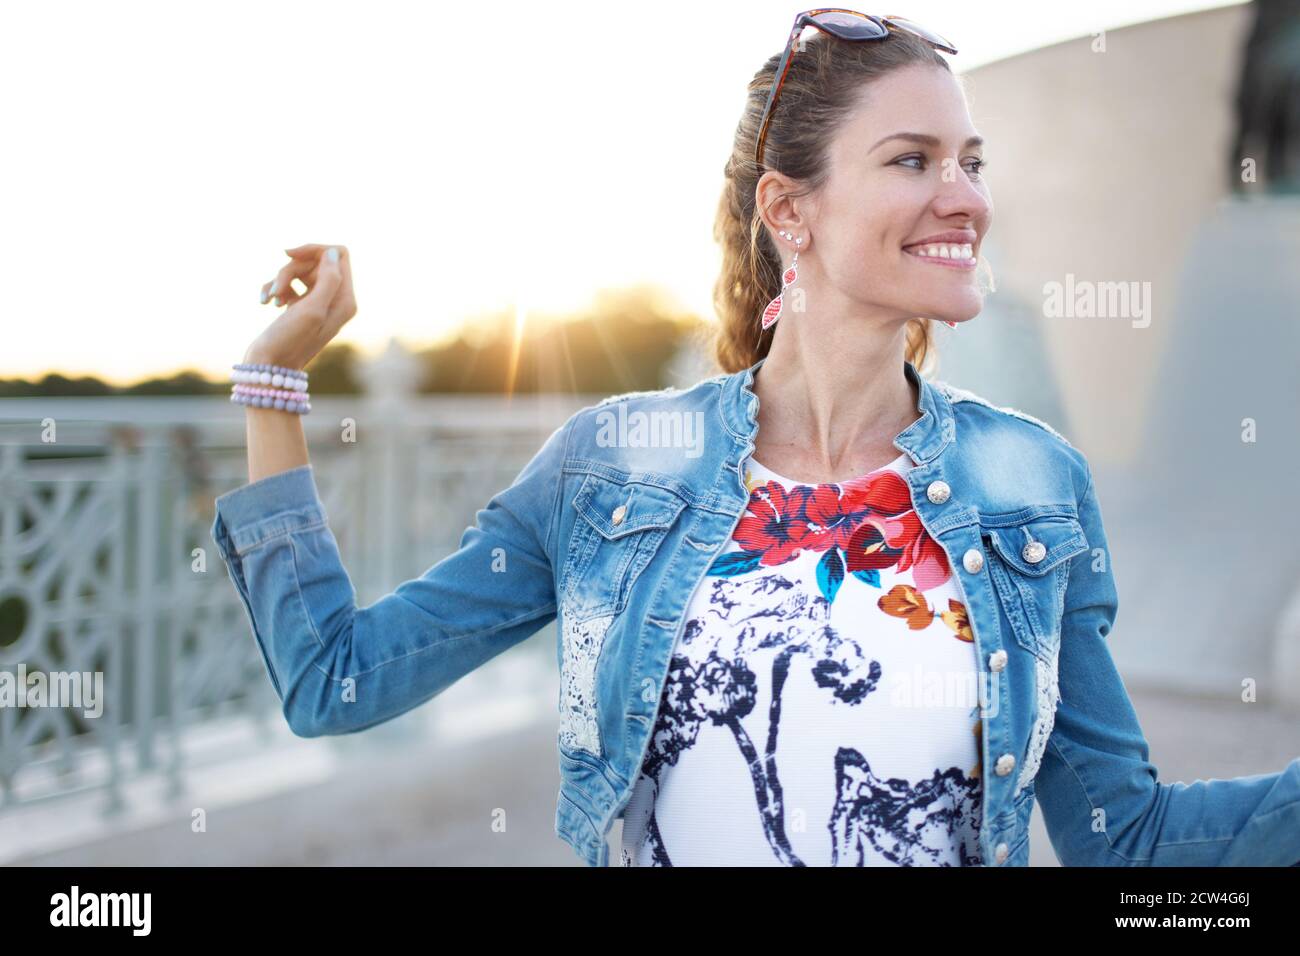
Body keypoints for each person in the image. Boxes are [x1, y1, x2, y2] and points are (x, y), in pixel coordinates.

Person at [211, 13, 1300, 868]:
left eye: (972, 159)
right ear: (791, 212)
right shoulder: (612, 464)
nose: (964, 195)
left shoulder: (1030, 479)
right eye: (913, 160)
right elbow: (336, 679)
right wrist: (276, 380)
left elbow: (1127, 838)